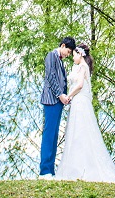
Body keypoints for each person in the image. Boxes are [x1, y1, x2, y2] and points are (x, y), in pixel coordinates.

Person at [55, 44, 115, 182]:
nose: (73, 58)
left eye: (74, 55)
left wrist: (68, 96)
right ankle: (76, 166)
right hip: (77, 102)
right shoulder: (78, 67)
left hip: (80, 102)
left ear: (80, 54)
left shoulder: (83, 67)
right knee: (76, 132)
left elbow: (79, 85)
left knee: (81, 132)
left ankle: (83, 167)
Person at [39, 36, 75, 178]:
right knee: (49, 135)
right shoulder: (51, 56)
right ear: (62, 45)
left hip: (58, 102)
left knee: (54, 136)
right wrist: (60, 95)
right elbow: (51, 77)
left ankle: (50, 170)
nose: (68, 54)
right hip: (51, 101)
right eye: (68, 51)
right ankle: (45, 170)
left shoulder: (60, 61)